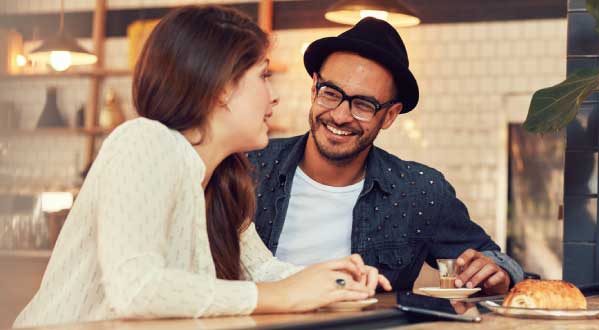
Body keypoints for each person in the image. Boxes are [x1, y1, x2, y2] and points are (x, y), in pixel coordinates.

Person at [14, 6, 389, 327]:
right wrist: (280, 295)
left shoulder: (225, 177)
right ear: (221, 87)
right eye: (263, 76)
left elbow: (264, 272)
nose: (273, 96)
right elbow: (137, 289)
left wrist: (340, 282)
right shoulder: (144, 141)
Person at [247, 17, 522, 295]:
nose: (340, 116)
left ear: (390, 115)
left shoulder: (419, 192)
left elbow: (493, 261)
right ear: (314, 87)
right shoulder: (247, 167)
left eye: (364, 104)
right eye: (330, 93)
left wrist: (495, 274)